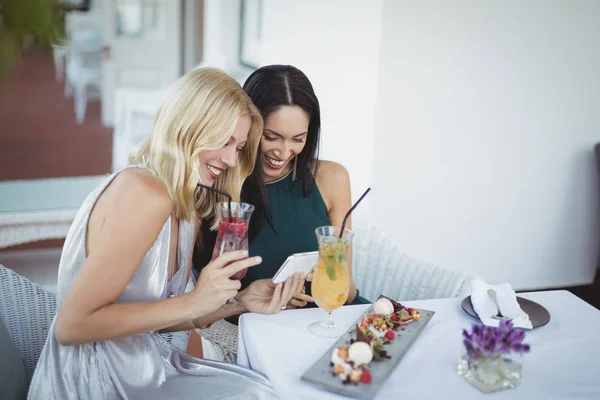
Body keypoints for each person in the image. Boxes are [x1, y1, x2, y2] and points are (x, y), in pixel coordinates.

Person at [28, 68, 303, 399]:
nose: (232, 159)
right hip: (94, 380)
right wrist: (193, 300)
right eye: (224, 141)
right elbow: (72, 326)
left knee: (262, 388)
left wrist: (236, 304)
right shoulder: (146, 193)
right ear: (189, 128)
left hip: (143, 367)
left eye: (240, 147)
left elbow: (153, 318)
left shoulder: (187, 202)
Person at [194, 65, 370, 312]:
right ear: (249, 127)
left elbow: (348, 292)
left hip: (337, 319)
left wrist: (324, 277)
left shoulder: (332, 178)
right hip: (268, 332)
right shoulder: (216, 187)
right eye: (271, 137)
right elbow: (198, 303)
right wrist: (249, 300)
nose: (284, 152)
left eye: (298, 139)